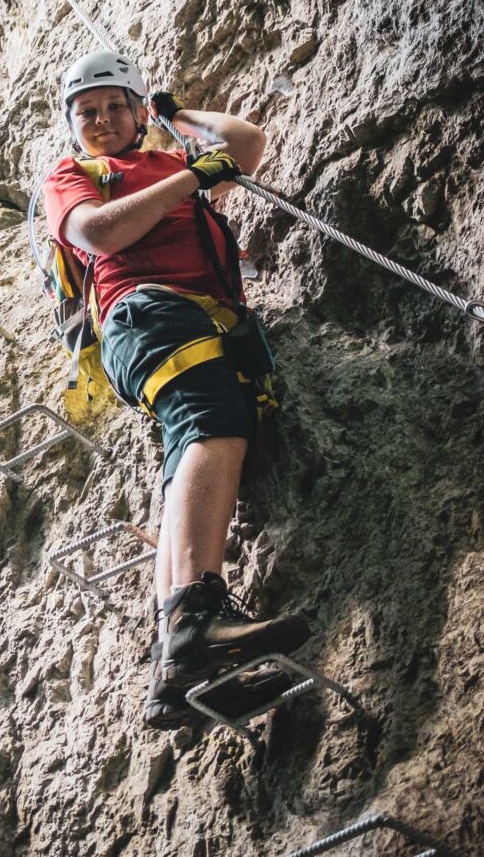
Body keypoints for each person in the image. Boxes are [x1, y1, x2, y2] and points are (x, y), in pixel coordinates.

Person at [42, 51, 311, 729]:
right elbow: (99, 232)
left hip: (188, 317)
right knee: (212, 421)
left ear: (137, 114)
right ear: (72, 127)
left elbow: (246, 142)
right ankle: (197, 614)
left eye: (116, 106)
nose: (102, 119)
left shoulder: (163, 163)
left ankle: (179, 670)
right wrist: (192, 177)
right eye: (86, 112)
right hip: (146, 310)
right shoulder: (76, 175)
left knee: (191, 444)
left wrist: (177, 116)